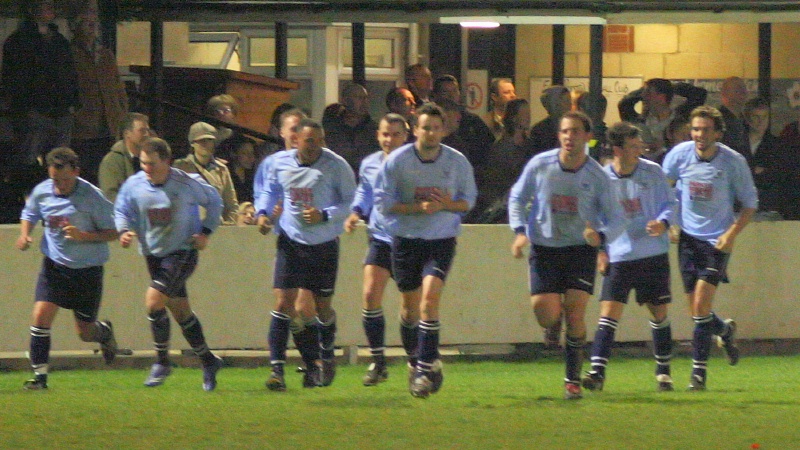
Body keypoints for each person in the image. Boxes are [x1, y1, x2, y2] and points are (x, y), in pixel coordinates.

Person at [508, 111, 622, 400]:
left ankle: (572, 380)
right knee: (546, 316)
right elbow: (517, 198)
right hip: (545, 249)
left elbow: (616, 217)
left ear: (587, 136)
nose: (569, 137)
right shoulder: (540, 164)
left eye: (575, 132)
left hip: (579, 251)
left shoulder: (597, 175)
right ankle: (552, 322)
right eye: (565, 132)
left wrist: (601, 239)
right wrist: (520, 231)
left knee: (576, 314)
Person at [374, 103, 477, 398]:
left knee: (429, 301)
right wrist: (417, 208)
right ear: (415, 129)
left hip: (441, 239)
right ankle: (417, 360)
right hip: (406, 238)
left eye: (436, 128)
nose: (430, 133)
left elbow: (468, 201)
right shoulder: (398, 161)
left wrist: (446, 205)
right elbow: (384, 203)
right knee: (409, 308)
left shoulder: (456, 162)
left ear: (443, 130)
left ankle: (423, 371)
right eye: (425, 127)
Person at [115, 137, 225, 391]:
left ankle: (162, 362)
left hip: (182, 251)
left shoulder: (186, 183)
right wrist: (123, 230)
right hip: (154, 254)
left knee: (154, 301)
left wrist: (206, 232)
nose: (147, 169)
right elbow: (122, 209)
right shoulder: (135, 185)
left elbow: (215, 202)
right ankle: (208, 361)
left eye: (152, 164)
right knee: (181, 312)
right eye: (143, 163)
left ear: (167, 161)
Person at [256, 118, 356, 391]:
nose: (314, 146)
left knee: (321, 308)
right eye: (309, 141)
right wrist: (263, 214)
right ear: (296, 140)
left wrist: (324, 214)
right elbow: (269, 190)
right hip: (291, 242)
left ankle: (325, 356)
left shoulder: (336, 165)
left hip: (323, 245)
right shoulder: (279, 164)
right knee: (283, 304)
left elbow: (351, 203)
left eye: (319, 141)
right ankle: (277, 370)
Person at [662, 106, 758, 391]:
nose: (699, 135)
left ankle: (698, 375)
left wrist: (731, 234)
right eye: (695, 129)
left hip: (717, 241)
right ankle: (725, 330)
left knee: (702, 304)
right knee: (697, 310)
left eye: (705, 130)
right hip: (688, 240)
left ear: (718, 133)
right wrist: (671, 222)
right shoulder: (679, 156)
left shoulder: (733, 162)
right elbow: (663, 189)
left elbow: (750, 204)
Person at [580, 122, 677, 393]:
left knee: (658, 312)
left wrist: (663, 222)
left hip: (652, 253)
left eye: (640, 146)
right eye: (634, 147)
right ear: (618, 150)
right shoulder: (602, 178)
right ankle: (597, 373)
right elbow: (594, 216)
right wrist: (600, 248)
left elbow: (670, 204)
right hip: (619, 254)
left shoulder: (653, 172)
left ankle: (663, 373)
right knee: (608, 313)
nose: (640, 151)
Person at [16, 147, 119, 389]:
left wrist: (83, 235)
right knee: (40, 317)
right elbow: (29, 214)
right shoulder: (43, 192)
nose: (59, 185)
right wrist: (25, 235)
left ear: (76, 172)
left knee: (84, 332)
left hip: (87, 271)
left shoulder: (93, 197)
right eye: (55, 180)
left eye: (64, 180)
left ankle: (103, 332)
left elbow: (114, 232)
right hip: (54, 266)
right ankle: (40, 378)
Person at [343, 113, 409, 386]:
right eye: (384, 134)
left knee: (411, 308)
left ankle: (417, 360)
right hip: (380, 237)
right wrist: (356, 212)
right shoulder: (370, 163)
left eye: (394, 134)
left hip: (410, 240)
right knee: (370, 294)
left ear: (406, 136)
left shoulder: (415, 163)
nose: (388, 139)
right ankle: (378, 361)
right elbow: (364, 192)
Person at [2, 0, 79, 191]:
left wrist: (72, 103)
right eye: (45, 5)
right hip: (35, 114)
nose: (51, 9)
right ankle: (26, 199)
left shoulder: (59, 40)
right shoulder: (19, 41)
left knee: (60, 163)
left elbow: (70, 73)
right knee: (28, 163)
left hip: (60, 112)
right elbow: (14, 79)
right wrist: (25, 109)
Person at [69, 10, 128, 185]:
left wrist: (122, 112)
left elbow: (118, 86)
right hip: (85, 126)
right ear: (76, 28)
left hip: (110, 124)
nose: (92, 28)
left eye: (95, 24)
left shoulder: (105, 55)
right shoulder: (71, 54)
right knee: (86, 173)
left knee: (109, 172)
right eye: (87, 24)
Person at [474, 98, 533, 224]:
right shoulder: (501, 148)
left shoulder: (530, 146)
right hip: (503, 206)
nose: (528, 118)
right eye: (525, 114)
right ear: (514, 117)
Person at [619, 78, 707, 162]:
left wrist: (671, 87)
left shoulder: (681, 119)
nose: (643, 97)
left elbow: (700, 93)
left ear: (661, 96)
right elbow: (625, 103)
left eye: (648, 93)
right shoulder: (638, 121)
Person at [173, 122, 239, 225]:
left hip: (217, 229)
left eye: (209, 140)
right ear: (192, 143)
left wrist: (229, 224)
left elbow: (231, 204)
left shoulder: (222, 170)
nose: (205, 144)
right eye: (201, 141)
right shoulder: (181, 167)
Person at [432, 75, 495, 170]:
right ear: (436, 95)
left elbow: (490, 147)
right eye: (445, 91)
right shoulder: (429, 122)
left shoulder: (472, 121)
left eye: (454, 91)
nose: (451, 95)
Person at [744, 97, 794, 218]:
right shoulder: (737, 144)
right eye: (756, 117)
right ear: (747, 118)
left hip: (767, 209)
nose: (761, 121)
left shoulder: (778, 146)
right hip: (741, 207)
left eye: (764, 117)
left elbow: (780, 176)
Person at [322, 83, 379, 175]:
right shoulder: (332, 127)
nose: (364, 102)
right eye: (359, 97)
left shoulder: (374, 129)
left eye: (366, 98)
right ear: (345, 100)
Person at [98, 112, 150, 202]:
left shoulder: (150, 157)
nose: (146, 135)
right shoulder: (112, 161)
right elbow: (110, 195)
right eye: (142, 130)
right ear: (127, 134)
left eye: (147, 130)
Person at [529, 85, 571, 155]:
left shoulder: (576, 125)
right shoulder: (540, 130)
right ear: (554, 104)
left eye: (569, 100)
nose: (569, 104)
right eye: (566, 101)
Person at [718, 76, 750, 157]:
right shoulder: (717, 120)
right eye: (738, 89)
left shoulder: (746, 121)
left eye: (744, 88)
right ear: (724, 93)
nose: (743, 92)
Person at [227, 134, 257, 204]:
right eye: (245, 153)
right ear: (234, 154)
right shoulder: (225, 173)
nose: (250, 157)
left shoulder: (252, 176)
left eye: (252, 153)